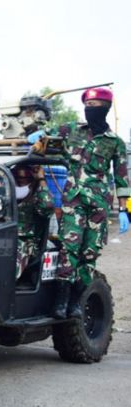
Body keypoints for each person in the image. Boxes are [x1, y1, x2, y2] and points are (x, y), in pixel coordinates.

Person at [29, 87, 129, 319]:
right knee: (69, 249)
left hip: (99, 205)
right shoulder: (71, 130)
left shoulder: (115, 142)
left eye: (96, 106)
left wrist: (126, 210)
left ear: (106, 108)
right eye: (88, 106)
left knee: (90, 253)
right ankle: (61, 301)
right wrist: (37, 136)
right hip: (73, 201)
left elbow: (122, 178)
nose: (91, 110)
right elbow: (44, 135)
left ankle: (76, 301)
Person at [13, 165, 54, 281]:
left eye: (26, 174)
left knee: (5, 271)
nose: (22, 175)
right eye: (18, 175)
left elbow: (48, 207)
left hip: (26, 241)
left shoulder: (37, 191)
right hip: (2, 234)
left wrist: (41, 180)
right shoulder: (5, 187)